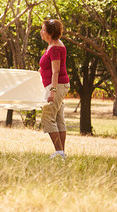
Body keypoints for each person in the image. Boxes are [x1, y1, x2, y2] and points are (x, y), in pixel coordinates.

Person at [39, 19, 70, 159]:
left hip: (57, 86)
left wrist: (53, 90)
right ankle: (61, 152)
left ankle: (59, 152)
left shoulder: (56, 47)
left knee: (48, 116)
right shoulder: (53, 45)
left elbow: (56, 71)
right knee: (58, 118)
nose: (41, 32)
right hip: (59, 85)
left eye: (44, 30)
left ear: (51, 33)